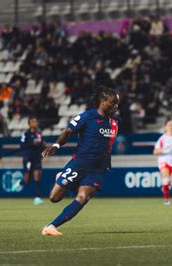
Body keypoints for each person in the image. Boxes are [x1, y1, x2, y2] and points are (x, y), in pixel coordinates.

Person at [41, 85, 120, 237]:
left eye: (117, 104)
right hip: (79, 164)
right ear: (102, 102)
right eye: (113, 103)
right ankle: (62, 177)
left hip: (97, 169)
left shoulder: (115, 122)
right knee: (54, 198)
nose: (116, 107)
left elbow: (107, 145)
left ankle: (51, 226)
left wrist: (106, 163)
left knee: (83, 197)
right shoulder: (87, 117)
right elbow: (68, 132)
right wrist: (56, 146)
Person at [19, 117, 45, 205]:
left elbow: (42, 143)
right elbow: (21, 145)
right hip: (28, 158)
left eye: (35, 121)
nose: (34, 123)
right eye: (32, 121)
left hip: (37, 158)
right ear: (29, 123)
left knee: (37, 175)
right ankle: (20, 182)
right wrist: (32, 143)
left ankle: (37, 197)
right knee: (27, 179)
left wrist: (43, 146)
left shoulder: (39, 134)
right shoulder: (26, 134)